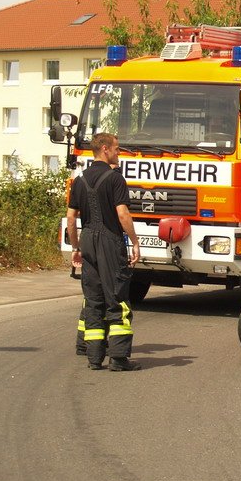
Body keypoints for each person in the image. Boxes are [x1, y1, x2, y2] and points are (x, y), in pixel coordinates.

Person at [67, 133, 143, 371]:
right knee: (117, 298)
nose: (119, 153)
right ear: (105, 149)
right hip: (110, 241)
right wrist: (135, 241)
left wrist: (76, 247)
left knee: (93, 300)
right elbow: (122, 214)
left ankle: (94, 358)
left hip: (87, 239)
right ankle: (119, 359)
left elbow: (71, 218)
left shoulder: (80, 181)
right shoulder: (115, 179)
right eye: (117, 149)